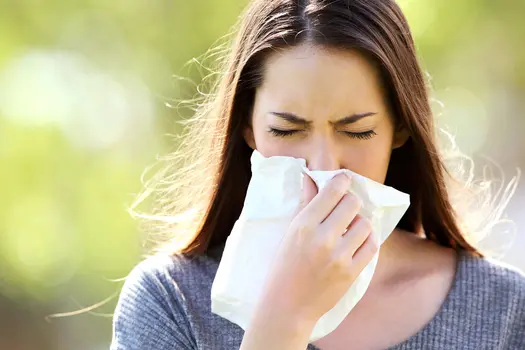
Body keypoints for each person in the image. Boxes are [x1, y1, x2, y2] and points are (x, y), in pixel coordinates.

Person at [110, 0, 525, 349]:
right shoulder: (171, 301)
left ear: (400, 128)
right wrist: (286, 316)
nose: (324, 167)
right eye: (287, 131)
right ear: (249, 129)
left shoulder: (502, 307)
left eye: (357, 130)